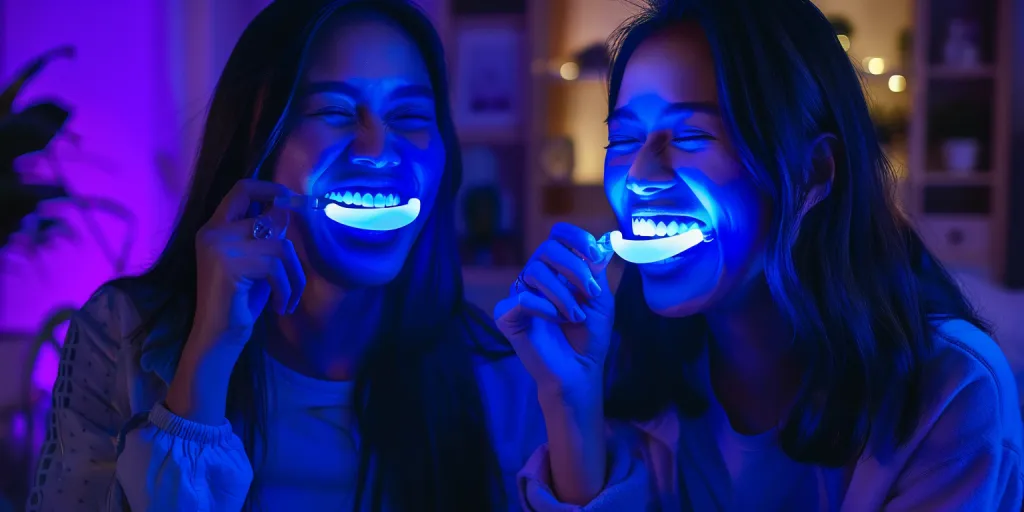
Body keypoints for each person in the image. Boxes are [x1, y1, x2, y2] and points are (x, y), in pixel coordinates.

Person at [497, 0, 1023, 510]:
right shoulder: (628, 365)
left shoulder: (950, 394)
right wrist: (571, 400)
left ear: (813, 172)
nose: (638, 178)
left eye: (692, 135)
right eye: (625, 139)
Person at [27, 1, 545, 510]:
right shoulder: (120, 336)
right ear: (258, 145)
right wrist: (208, 354)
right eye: (335, 112)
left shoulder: (505, 377)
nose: (380, 149)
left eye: (410, 115)